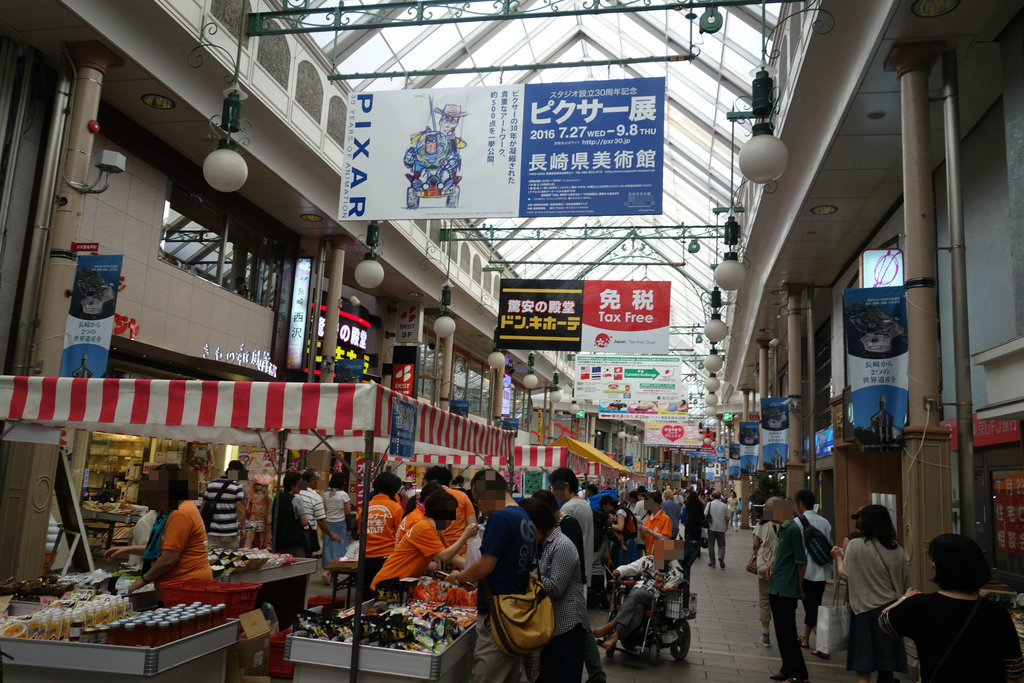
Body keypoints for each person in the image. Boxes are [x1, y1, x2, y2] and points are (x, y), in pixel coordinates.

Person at [880, 534, 1024, 683]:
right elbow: (1015, 674)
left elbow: (885, 621)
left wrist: (905, 598)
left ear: (935, 567)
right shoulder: (997, 613)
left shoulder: (919, 606)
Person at [453, 470, 535, 683]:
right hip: (516, 610)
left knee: (485, 676)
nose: (479, 505)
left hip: (496, 612)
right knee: (508, 675)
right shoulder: (523, 516)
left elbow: (485, 566)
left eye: (478, 498)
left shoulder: (501, 517)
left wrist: (460, 577)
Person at [104, 464, 212, 593]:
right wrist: (128, 549)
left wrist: (143, 580)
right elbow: (163, 548)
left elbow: (168, 558)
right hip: (180, 584)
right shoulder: (176, 509)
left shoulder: (180, 513)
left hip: (185, 586)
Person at [831, 505, 909, 683]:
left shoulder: (856, 546)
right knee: (886, 665)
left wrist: (838, 559)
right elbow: (906, 582)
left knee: (863, 666)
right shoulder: (897, 549)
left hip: (864, 611)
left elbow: (845, 575)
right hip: (891, 612)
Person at [547, 467, 605, 682]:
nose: (553, 492)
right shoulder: (584, 504)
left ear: (566, 486)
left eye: (554, 487)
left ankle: (596, 673)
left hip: (572, 574)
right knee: (583, 625)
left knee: (582, 627)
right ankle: (596, 673)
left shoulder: (570, 509)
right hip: (583, 570)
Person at [520, 497, 587, 683]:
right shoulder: (546, 544)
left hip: (567, 626)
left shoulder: (562, 545)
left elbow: (555, 588)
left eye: (528, 528)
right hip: (551, 626)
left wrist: (529, 575)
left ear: (537, 523)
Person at [371, 487, 476, 592]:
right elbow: (445, 556)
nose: (453, 519)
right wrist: (465, 535)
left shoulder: (435, 529)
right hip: (389, 583)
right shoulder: (424, 527)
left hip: (401, 582)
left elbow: (454, 558)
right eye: (452, 513)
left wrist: (476, 570)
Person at [592, 538, 687, 652]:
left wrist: (661, 584)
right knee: (638, 608)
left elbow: (670, 587)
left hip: (654, 598)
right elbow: (630, 567)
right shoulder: (647, 560)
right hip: (638, 594)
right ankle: (616, 635)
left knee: (638, 593)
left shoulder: (675, 572)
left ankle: (613, 624)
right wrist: (618, 572)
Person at [767, 497, 809, 683]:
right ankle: (786, 668)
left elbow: (801, 561)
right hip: (776, 587)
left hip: (786, 589)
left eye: (769, 510)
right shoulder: (783, 529)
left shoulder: (792, 530)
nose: (767, 515)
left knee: (788, 633)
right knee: (781, 632)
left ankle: (798, 674)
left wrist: (799, 586)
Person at [792, 489, 832, 656]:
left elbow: (794, 549)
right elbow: (829, 544)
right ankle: (806, 639)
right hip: (822, 572)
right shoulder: (825, 522)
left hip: (805, 572)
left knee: (811, 609)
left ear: (800, 503)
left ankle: (824, 646)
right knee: (814, 605)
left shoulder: (797, 522)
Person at [363, 471, 405, 593]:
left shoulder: (365, 507)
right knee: (384, 595)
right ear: (394, 489)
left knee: (367, 593)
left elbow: (360, 532)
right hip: (386, 558)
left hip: (365, 557)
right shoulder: (396, 508)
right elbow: (400, 534)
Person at [424, 465, 477, 552]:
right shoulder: (462, 496)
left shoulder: (426, 497)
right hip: (459, 548)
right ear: (449, 481)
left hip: (433, 549)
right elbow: (472, 525)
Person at [200, 459, 247, 550]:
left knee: (211, 560)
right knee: (228, 560)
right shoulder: (237, 487)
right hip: (229, 533)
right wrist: (243, 528)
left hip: (211, 532)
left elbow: (203, 506)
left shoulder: (211, 485)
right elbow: (240, 510)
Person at [300, 469, 340, 559]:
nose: (318, 483)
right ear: (312, 481)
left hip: (290, 532)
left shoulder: (296, 492)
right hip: (306, 533)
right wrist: (331, 534)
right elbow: (321, 521)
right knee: (305, 561)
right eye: (317, 480)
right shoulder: (315, 497)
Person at [271, 471, 311, 557]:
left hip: (278, 541)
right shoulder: (297, 499)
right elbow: (304, 522)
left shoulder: (276, 498)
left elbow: (269, 520)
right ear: (292, 485)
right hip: (294, 543)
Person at [321, 472, 351, 583]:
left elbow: (323, 510)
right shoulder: (343, 495)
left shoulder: (325, 494)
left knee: (328, 547)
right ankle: (334, 573)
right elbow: (347, 511)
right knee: (338, 548)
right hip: (340, 524)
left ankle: (326, 571)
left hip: (327, 523)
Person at [704, 491, 730, 568]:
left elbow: (705, 514)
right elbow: (727, 517)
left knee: (711, 545)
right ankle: (721, 556)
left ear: (713, 497)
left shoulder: (710, 504)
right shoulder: (724, 505)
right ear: (720, 497)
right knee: (722, 545)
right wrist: (726, 526)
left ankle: (712, 562)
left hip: (711, 527)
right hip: (721, 528)